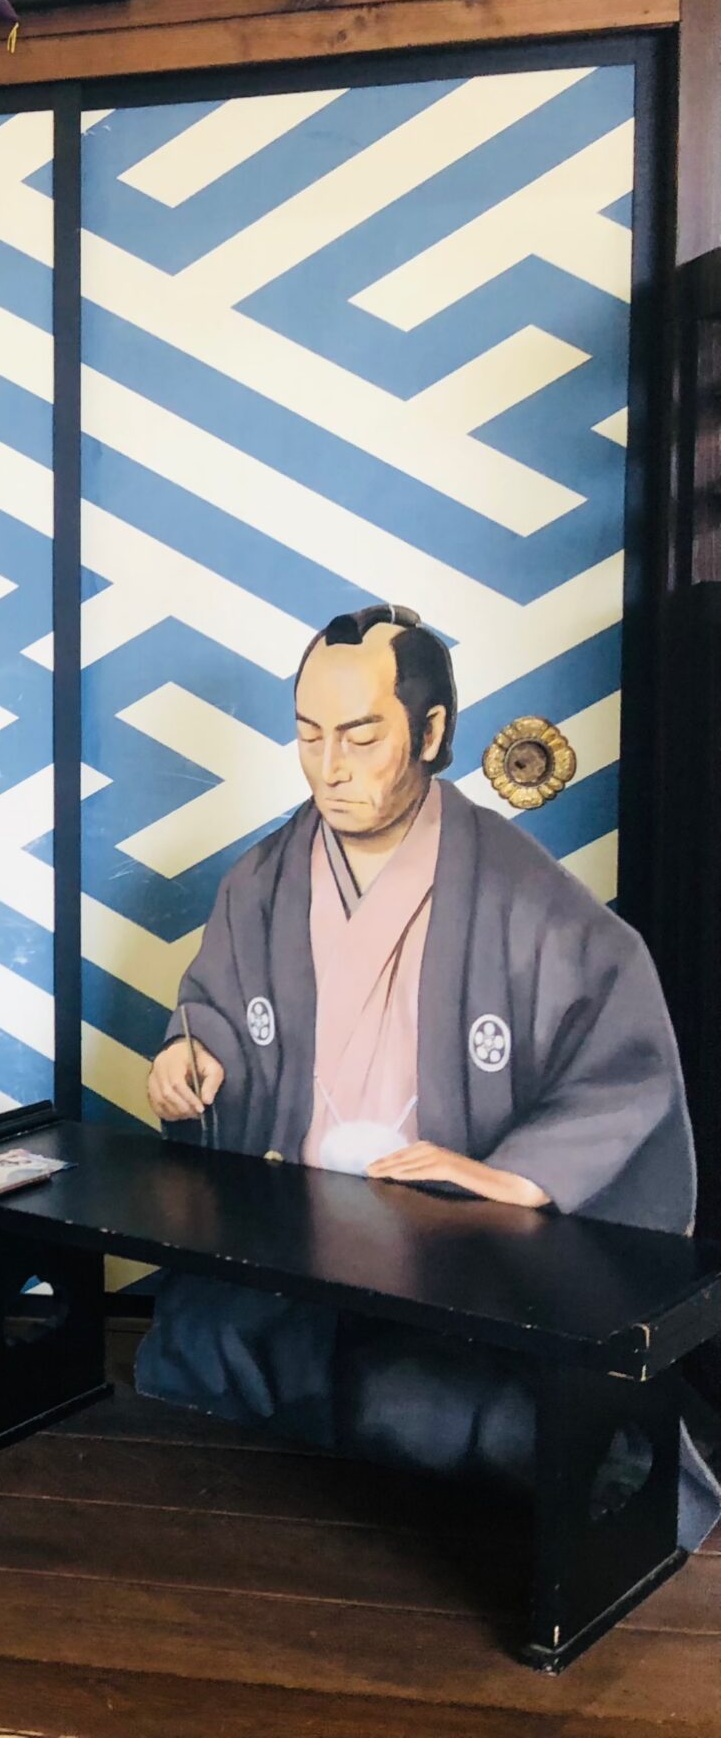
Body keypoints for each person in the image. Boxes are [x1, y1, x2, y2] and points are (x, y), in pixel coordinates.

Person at [135, 604, 720, 1548]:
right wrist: (189, 1055)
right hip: (299, 1227)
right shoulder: (264, 880)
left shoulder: (522, 892)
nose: (331, 767)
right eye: (310, 736)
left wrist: (519, 1174)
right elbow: (217, 1011)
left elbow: (625, 1062)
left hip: (452, 1253)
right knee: (199, 1350)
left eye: (362, 736)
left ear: (432, 730)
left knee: (430, 1410)